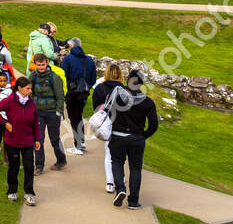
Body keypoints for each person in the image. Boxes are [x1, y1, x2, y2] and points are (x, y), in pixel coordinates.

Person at [106, 71, 160, 209]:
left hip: (118, 135)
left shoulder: (118, 96)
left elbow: (107, 113)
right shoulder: (147, 102)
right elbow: (154, 125)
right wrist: (143, 136)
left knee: (117, 163)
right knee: (135, 169)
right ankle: (133, 201)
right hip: (137, 138)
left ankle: (120, 189)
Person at [0, 76, 39, 206]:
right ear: (19, 88)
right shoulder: (10, 101)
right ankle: (12, 191)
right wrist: (5, 122)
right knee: (14, 167)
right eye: (28, 89)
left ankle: (29, 193)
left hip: (28, 141)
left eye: (31, 89)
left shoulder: (31, 102)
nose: (30, 91)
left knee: (29, 167)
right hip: (12, 142)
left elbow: (35, 122)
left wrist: (38, 139)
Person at [27, 53, 66, 174]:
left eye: (43, 64)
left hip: (53, 113)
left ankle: (61, 160)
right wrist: (32, 103)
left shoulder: (54, 78)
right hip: (38, 113)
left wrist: (59, 112)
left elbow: (60, 97)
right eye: (38, 65)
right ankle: (39, 165)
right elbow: (29, 91)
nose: (41, 67)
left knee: (54, 139)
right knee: (38, 139)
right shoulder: (32, 76)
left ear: (47, 63)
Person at [92, 63, 125, 193]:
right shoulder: (125, 89)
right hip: (121, 124)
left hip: (105, 124)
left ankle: (110, 183)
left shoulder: (99, 88)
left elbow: (96, 107)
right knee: (120, 156)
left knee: (109, 154)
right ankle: (120, 179)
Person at [60, 38, 97, 154]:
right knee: (78, 116)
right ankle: (81, 141)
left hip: (71, 93)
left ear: (71, 46)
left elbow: (63, 76)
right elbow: (93, 79)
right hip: (83, 93)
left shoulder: (68, 59)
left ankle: (78, 146)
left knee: (74, 118)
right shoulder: (89, 60)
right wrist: (86, 88)